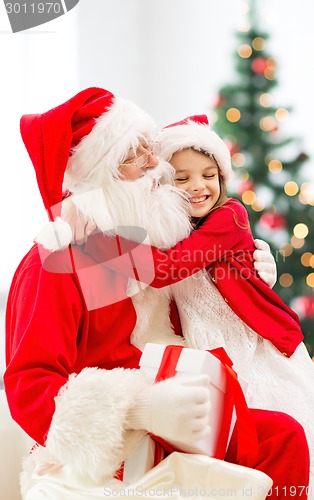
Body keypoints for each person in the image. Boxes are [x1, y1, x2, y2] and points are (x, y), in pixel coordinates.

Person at [4, 88, 309, 499]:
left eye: (150, 148)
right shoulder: (57, 263)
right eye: (135, 155)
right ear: (100, 175)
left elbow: (196, 278)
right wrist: (138, 410)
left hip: (181, 413)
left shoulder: (140, 242)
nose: (155, 164)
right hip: (116, 443)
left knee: (283, 436)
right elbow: (30, 384)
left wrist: (251, 271)